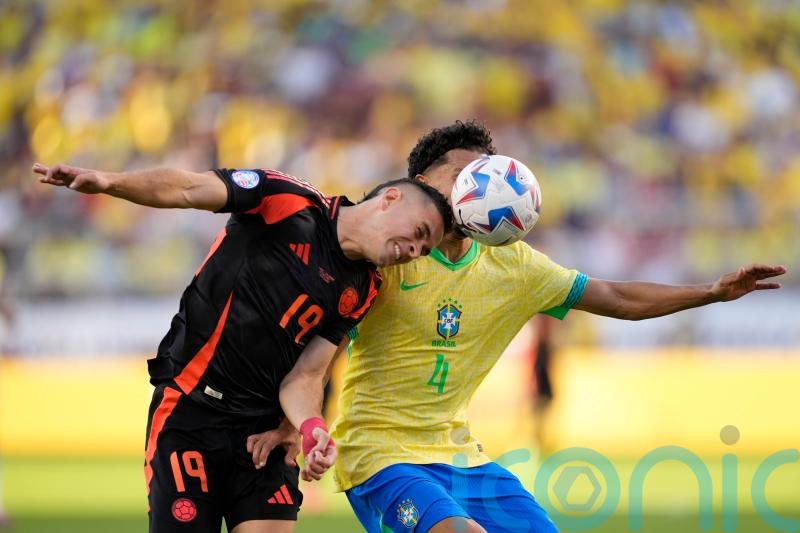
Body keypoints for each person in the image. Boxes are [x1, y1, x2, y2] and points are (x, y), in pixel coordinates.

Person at [304, 120, 783, 533]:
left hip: (461, 456)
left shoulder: (515, 267)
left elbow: (614, 297)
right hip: (379, 456)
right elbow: (307, 347)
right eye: (464, 175)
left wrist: (710, 291)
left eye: (486, 176)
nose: (479, 187)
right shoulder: (389, 255)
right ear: (421, 181)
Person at [33, 161, 452, 533]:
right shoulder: (285, 200)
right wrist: (109, 182)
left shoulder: (364, 289)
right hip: (191, 412)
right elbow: (187, 189)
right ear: (390, 199)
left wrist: (311, 429)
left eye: (425, 249)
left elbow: (307, 375)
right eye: (418, 233)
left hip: (263, 437)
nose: (414, 250)